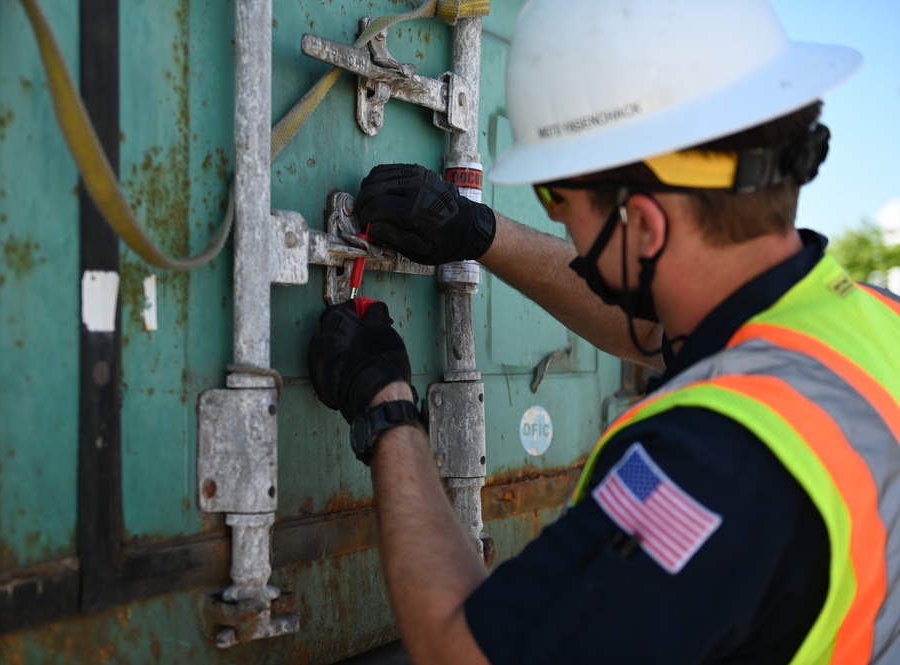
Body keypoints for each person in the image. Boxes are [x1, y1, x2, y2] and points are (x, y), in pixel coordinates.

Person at [307, 0, 900, 662]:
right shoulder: (870, 324)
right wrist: (478, 231)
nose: (562, 223)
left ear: (644, 225)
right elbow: (655, 327)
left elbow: (462, 652)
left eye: (555, 197)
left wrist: (389, 416)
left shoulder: (705, 462)